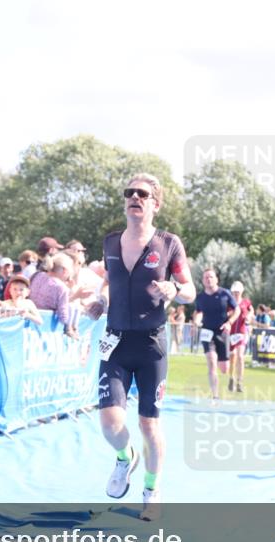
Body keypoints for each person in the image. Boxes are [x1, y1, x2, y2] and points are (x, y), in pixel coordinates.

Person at [85, 173, 196, 521]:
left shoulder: (169, 243)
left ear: (155, 204)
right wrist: (101, 301)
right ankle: (125, 458)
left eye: (143, 194)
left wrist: (174, 290)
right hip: (115, 342)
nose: (135, 197)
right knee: (110, 423)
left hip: (151, 345)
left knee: (149, 425)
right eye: (130, 192)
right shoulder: (110, 242)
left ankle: (152, 490)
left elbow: (190, 290)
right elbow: (108, 283)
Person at [192, 268, 238, 400]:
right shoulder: (200, 297)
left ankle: (230, 376)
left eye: (211, 277)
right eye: (206, 277)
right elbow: (199, 312)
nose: (208, 279)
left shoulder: (225, 293)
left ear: (216, 279)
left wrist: (229, 323)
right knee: (211, 361)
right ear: (203, 281)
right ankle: (215, 395)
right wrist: (196, 322)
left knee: (224, 368)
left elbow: (237, 310)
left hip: (222, 332)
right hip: (207, 332)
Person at [29, 252, 78, 338]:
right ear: (65, 271)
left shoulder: (36, 275)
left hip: (29, 323)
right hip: (46, 330)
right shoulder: (61, 287)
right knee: (72, 307)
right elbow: (63, 318)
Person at [228, 281, 253, 393]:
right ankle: (231, 378)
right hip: (231, 332)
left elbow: (251, 310)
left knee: (240, 356)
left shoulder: (246, 302)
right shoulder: (229, 302)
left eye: (238, 292)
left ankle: (239, 382)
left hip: (241, 332)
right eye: (234, 292)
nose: (236, 294)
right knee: (232, 356)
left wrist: (249, 316)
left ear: (241, 292)